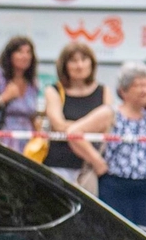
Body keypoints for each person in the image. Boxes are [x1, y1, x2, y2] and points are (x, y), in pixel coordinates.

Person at [66, 61, 146, 228]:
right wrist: (96, 161)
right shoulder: (110, 113)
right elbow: (74, 133)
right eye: (139, 85)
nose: (145, 90)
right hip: (116, 186)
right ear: (124, 89)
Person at [44, 42, 108, 184]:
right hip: (60, 163)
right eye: (73, 61)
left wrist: (76, 130)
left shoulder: (103, 91)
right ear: (64, 65)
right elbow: (58, 124)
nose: (79, 65)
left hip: (93, 164)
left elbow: (108, 125)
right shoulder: (54, 90)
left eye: (84, 60)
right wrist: (88, 128)